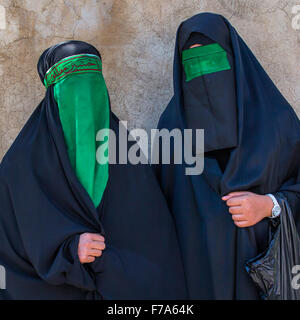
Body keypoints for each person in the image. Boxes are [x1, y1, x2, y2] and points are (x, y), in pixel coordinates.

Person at [0, 40, 187, 300]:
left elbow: (156, 249)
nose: (84, 101)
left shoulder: (127, 159)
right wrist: (66, 252)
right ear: (53, 95)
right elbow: (10, 256)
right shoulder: (19, 168)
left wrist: (111, 267)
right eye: (73, 88)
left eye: (92, 86)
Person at [154, 13, 300, 299]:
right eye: (192, 65)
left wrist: (269, 205)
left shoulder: (276, 122)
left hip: (265, 280)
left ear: (234, 59)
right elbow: (158, 214)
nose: (204, 74)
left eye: (213, 60)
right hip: (197, 279)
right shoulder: (172, 128)